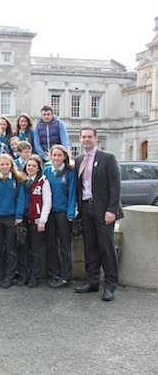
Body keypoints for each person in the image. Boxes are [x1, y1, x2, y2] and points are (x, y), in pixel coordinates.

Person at [75, 127, 123, 302]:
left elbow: (115, 186)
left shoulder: (107, 158)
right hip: (86, 209)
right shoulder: (79, 159)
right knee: (90, 246)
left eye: (89, 137)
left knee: (106, 247)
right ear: (80, 140)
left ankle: (110, 285)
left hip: (104, 210)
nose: (86, 139)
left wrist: (112, 210)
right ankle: (92, 281)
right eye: (84, 137)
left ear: (96, 138)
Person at [0, 154, 26, 289]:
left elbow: (21, 198)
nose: (4, 167)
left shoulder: (17, 179)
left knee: (11, 249)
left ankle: (9, 276)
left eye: (7, 164)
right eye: (2, 164)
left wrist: (19, 216)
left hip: (11, 218)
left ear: (11, 165)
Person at [43, 145, 77, 288]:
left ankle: (66, 277)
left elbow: (72, 193)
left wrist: (70, 213)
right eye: (54, 155)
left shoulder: (69, 171)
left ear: (64, 156)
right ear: (50, 156)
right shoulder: (46, 171)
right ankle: (54, 274)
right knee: (51, 244)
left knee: (64, 245)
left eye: (59, 155)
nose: (56, 158)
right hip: (49, 212)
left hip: (63, 213)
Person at [21, 155, 52, 287]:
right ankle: (23, 275)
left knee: (35, 250)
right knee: (23, 249)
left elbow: (47, 202)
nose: (31, 168)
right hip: (23, 219)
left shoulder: (43, 182)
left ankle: (34, 276)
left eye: (34, 166)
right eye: (29, 165)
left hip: (36, 220)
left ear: (39, 168)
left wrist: (42, 221)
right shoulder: (22, 181)